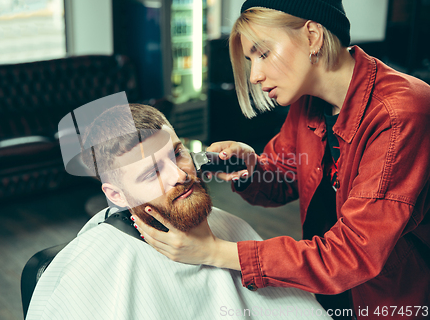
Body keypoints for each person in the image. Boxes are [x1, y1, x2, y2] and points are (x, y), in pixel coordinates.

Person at [132, 0, 430, 319]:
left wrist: (214, 252)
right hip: (324, 288)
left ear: (313, 36)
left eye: (263, 54)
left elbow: (354, 254)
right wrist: (251, 167)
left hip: (388, 300)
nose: (255, 76)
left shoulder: (400, 113)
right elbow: (284, 178)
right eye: (250, 61)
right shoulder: (308, 102)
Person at [26, 103, 330, 320]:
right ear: (116, 195)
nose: (179, 175)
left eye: (178, 154)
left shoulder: (229, 227)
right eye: (151, 173)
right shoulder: (93, 267)